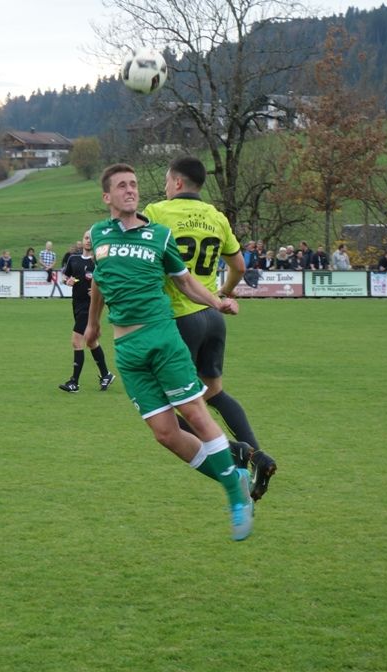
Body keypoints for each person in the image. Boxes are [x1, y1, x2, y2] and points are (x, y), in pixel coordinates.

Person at [83, 163, 253, 541]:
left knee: (195, 411)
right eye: (122, 186)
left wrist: (218, 301)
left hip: (163, 338)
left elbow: (186, 283)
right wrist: (92, 325)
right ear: (107, 196)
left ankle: (235, 498)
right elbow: (100, 281)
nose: (131, 190)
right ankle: (234, 477)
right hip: (127, 349)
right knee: (165, 434)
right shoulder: (97, 235)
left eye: (134, 184)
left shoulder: (159, 236)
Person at [144, 156, 277, 502]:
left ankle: (234, 451)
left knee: (161, 407)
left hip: (179, 318)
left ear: (176, 182)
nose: (165, 187)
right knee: (214, 393)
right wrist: (224, 294)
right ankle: (258, 456)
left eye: (166, 181)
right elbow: (239, 265)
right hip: (212, 316)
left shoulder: (157, 212)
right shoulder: (217, 217)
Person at [58, 230, 114, 393]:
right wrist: (67, 281)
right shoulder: (73, 259)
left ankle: (74, 382)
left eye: (91, 238)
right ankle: (106, 375)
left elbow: (109, 281)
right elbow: (65, 276)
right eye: (86, 238)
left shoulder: (99, 261)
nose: (89, 240)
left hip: (91, 306)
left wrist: (99, 290)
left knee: (77, 341)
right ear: (82, 240)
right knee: (91, 341)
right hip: (76, 304)